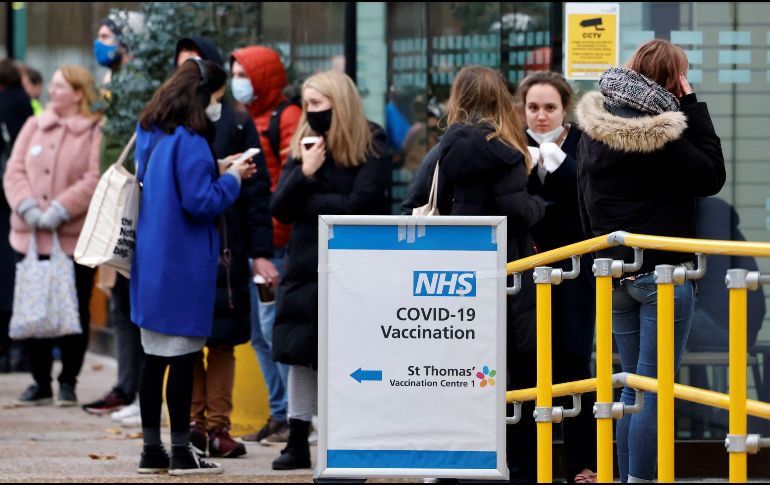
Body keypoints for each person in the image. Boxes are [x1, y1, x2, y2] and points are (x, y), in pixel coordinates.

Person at [576, 39, 726, 483]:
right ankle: (639, 481)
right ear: (673, 80)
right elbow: (711, 175)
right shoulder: (664, 132)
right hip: (662, 274)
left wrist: (603, 256)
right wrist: (694, 107)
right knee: (653, 389)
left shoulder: (592, 126)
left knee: (633, 389)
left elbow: (584, 201)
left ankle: (626, 479)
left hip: (616, 276)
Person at [130, 58, 256, 476]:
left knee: (153, 360)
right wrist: (234, 178)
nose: (220, 107)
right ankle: (182, 453)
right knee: (183, 361)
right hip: (183, 266)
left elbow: (166, 183)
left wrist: (217, 170)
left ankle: (152, 451)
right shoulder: (193, 140)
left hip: (151, 263)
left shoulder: (151, 130)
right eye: (219, 98)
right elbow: (201, 202)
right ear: (204, 96)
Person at [270, 70, 391, 470]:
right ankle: (297, 440)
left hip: (352, 266)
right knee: (301, 354)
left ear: (339, 103)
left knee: (347, 354)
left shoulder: (370, 140)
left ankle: (349, 437)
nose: (311, 112)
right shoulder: (305, 143)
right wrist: (305, 172)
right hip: (305, 265)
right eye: (307, 104)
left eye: (318, 104)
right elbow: (281, 209)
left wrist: (312, 197)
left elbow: (363, 205)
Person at [430, 65, 545, 482]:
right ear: (501, 99)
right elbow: (515, 209)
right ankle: (515, 467)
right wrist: (540, 206)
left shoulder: (447, 146)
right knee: (513, 374)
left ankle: (456, 464)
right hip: (506, 272)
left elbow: (433, 202)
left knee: (462, 373)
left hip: (459, 272)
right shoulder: (506, 150)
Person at [170, 37, 274, 460]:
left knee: (225, 341)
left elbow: (258, 191)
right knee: (188, 341)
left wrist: (261, 251)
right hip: (185, 247)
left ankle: (218, 427)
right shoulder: (171, 122)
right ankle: (194, 425)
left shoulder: (234, 120)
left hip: (227, 248)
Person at [3, 65, 102, 406]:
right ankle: (40, 380)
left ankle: (69, 380)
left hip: (73, 237)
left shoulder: (94, 130)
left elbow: (94, 177)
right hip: (31, 236)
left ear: (78, 93)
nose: (52, 92)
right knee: (34, 306)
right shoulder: (34, 125)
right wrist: (27, 207)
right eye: (53, 85)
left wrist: (61, 208)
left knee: (74, 308)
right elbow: (13, 170)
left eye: (60, 87)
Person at [516, 71, 597, 484]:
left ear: (565, 108)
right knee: (527, 370)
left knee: (575, 366)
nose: (541, 116)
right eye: (533, 108)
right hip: (527, 275)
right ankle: (529, 468)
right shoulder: (512, 146)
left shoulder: (584, 143)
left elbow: (591, 200)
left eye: (549, 108)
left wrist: (561, 167)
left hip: (576, 273)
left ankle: (583, 464)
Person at [230, 45, 300, 444]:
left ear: (263, 76)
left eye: (244, 73)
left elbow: (287, 180)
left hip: (276, 245)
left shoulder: (284, 118)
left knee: (275, 330)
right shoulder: (245, 118)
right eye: (234, 72)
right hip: (256, 244)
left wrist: (269, 231)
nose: (238, 80)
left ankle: (294, 414)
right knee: (260, 334)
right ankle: (279, 412)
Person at [82, 17, 143, 420]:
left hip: (129, 203)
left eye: (107, 37)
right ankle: (126, 386)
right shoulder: (112, 80)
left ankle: (136, 390)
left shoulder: (135, 84)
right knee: (119, 302)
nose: (100, 43)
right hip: (110, 201)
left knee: (129, 304)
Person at [0, 59, 35, 374]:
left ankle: (14, 351)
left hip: (12, 204)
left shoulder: (9, 104)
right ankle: (18, 351)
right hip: (18, 202)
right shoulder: (23, 104)